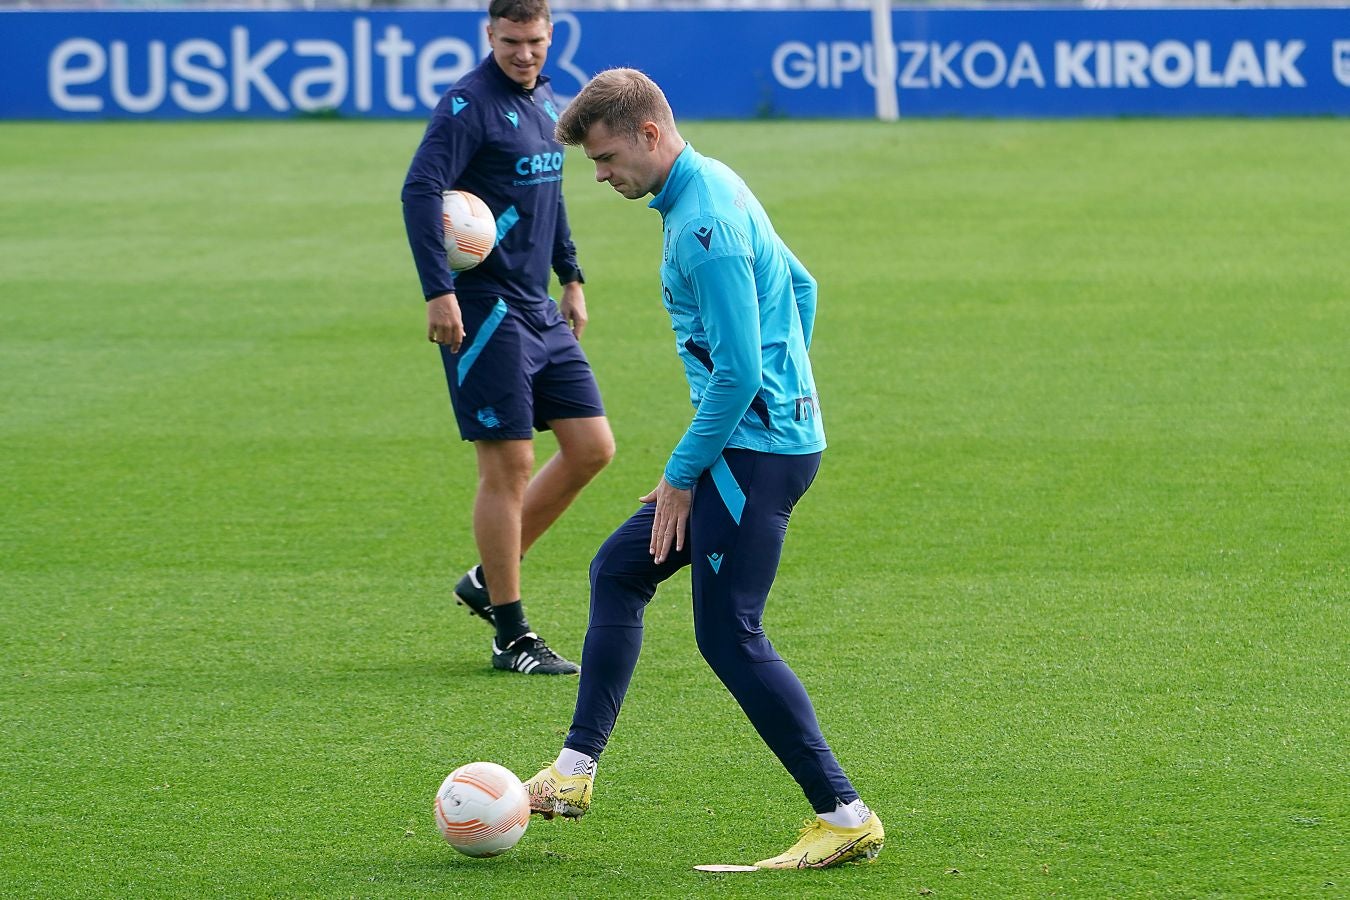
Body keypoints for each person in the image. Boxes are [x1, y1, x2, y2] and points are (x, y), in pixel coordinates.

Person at [523, 68, 883, 869]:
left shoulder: (702, 225)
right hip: (759, 441)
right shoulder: (713, 182)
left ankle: (844, 812)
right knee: (619, 570)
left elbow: (739, 375)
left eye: (609, 157)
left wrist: (685, 471)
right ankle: (575, 772)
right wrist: (791, 397)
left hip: (748, 455)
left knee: (729, 636)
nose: (602, 175)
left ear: (650, 134)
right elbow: (802, 285)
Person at [401, 0, 614, 676]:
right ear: (489, 36)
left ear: (550, 37)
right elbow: (419, 189)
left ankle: (488, 579)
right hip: (484, 309)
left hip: (539, 307)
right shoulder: (467, 106)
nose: (525, 54)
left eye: (535, 41)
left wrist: (572, 275)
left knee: (591, 448)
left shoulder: (549, 98)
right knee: (509, 466)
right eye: (511, 41)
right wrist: (438, 290)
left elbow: (552, 196)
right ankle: (511, 634)